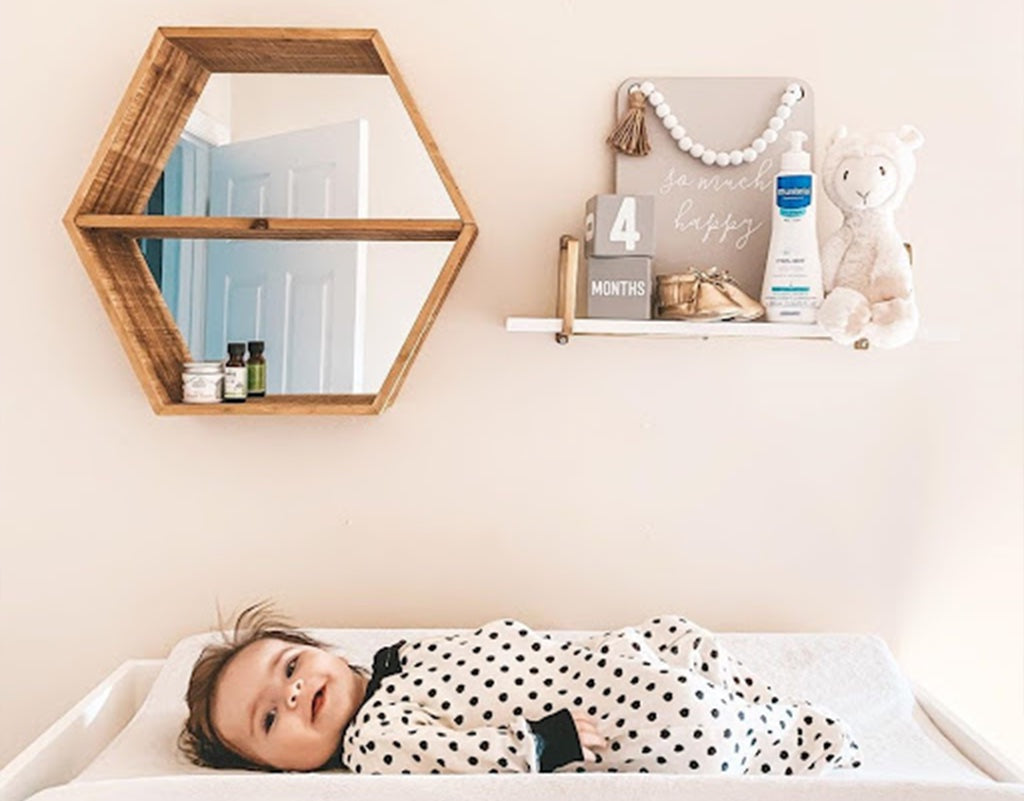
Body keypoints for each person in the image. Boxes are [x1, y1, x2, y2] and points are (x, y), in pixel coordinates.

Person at [181, 603, 860, 776]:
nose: (295, 694)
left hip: (596, 660)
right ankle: (790, 737)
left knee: (680, 636)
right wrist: (544, 742)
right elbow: (458, 759)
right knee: (691, 717)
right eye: (271, 719)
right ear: (275, 769)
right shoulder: (372, 742)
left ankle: (790, 723)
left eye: (292, 667)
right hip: (594, 715)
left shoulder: (395, 666)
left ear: (325, 649)